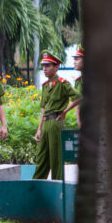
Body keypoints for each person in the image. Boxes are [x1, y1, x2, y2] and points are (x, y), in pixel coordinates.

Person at [33, 50, 80, 180]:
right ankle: (36, 186)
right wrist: (39, 128)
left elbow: (78, 97)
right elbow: (43, 108)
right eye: (43, 66)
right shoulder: (45, 85)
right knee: (41, 158)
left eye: (48, 66)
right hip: (46, 123)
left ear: (56, 66)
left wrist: (65, 111)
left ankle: (58, 186)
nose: (44, 69)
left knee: (56, 159)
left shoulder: (62, 83)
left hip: (55, 122)